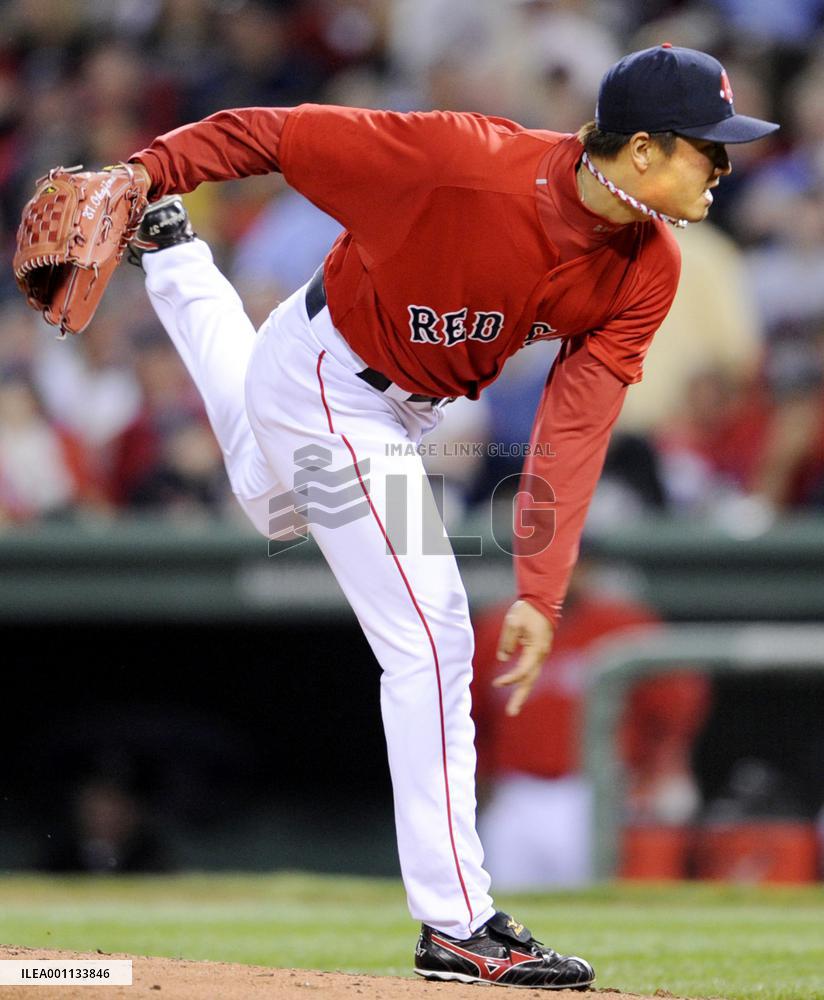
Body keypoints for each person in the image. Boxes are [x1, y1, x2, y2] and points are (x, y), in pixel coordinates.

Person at [119, 45, 776, 989]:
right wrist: (143, 168)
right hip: (331, 375)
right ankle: (459, 924)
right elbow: (270, 132)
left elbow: (572, 430)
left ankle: (176, 256)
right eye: (707, 149)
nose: (723, 168)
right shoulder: (464, 161)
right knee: (430, 635)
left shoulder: (649, 267)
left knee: (270, 505)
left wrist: (541, 590)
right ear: (641, 150)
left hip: (399, 401)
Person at [472, 557, 712, 889]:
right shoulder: (495, 628)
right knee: (502, 911)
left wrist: (662, 769)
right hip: (515, 794)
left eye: (577, 563)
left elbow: (676, 707)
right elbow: (471, 720)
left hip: (596, 792)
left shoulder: (624, 623)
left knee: (590, 902)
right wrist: (480, 789)